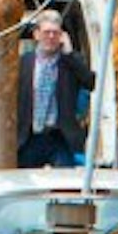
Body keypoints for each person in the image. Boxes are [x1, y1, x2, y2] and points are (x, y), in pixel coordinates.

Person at [19, 9, 94, 168]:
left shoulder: (70, 62)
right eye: (47, 32)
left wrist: (69, 53)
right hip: (29, 137)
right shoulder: (24, 63)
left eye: (55, 33)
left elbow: (90, 82)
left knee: (64, 184)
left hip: (60, 137)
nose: (51, 37)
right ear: (37, 34)